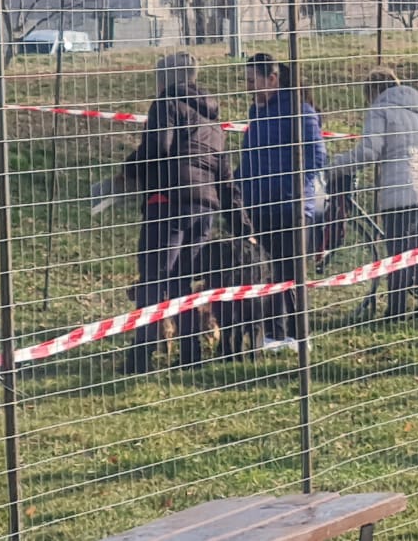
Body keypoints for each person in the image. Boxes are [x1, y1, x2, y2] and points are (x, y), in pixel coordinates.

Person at [119, 53, 253, 373]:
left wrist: (128, 171)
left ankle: (142, 356)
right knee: (182, 281)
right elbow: (226, 178)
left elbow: (157, 149)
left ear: (166, 78)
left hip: (169, 200)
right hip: (204, 208)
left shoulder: (166, 102)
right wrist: (242, 224)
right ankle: (190, 354)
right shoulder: (212, 120)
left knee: (154, 278)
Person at [332, 69, 418, 319]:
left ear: (374, 92)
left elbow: (368, 151)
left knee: (398, 254)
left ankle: (396, 311)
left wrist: (334, 166)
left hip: (402, 192)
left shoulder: (380, 109)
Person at [237, 52, 327, 353]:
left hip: (291, 208)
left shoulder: (299, 112)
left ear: (272, 79)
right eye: (246, 81)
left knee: (292, 274)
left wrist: (290, 190)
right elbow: (250, 161)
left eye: (253, 80)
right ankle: (274, 336)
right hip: (260, 208)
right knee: (268, 273)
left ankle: (300, 336)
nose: (248, 87)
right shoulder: (256, 114)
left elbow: (315, 157)